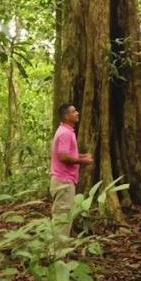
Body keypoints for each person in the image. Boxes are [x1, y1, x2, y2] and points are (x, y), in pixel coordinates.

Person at [50, 102, 92, 239]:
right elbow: (63, 156)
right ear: (66, 116)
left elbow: (65, 153)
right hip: (63, 182)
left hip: (64, 181)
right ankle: (57, 254)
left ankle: (59, 252)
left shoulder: (66, 131)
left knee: (64, 217)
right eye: (74, 112)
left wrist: (81, 156)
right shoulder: (65, 133)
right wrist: (83, 161)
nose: (77, 113)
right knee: (61, 218)